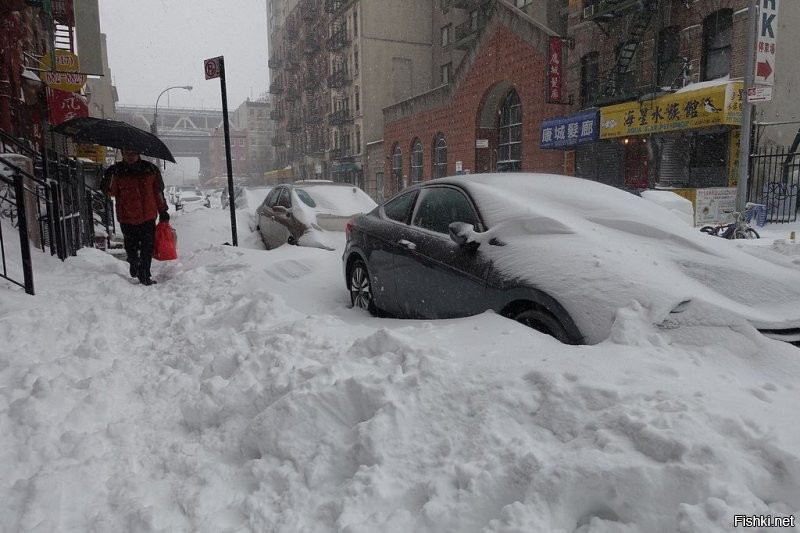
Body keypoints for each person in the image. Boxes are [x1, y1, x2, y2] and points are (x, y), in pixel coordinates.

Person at [101, 148, 169, 286]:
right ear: (122, 154)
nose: (130, 156)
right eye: (126, 153)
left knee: (147, 247)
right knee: (131, 246)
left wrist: (163, 210)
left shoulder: (150, 169)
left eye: (133, 153)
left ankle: (144, 273)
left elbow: (158, 191)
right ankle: (133, 262)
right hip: (127, 217)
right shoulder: (117, 171)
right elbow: (109, 192)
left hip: (147, 216)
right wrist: (109, 176)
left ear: (138, 153)